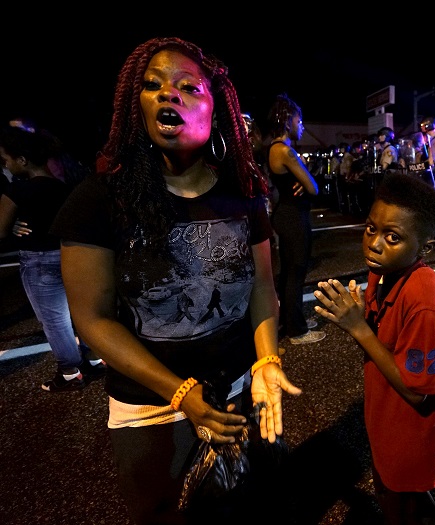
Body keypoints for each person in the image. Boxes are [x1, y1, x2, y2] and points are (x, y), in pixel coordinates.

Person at [51, 37, 302, 524]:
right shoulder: (99, 199)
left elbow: (260, 289)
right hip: (151, 407)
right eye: (153, 86)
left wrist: (267, 359)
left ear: (217, 107)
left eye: (189, 86)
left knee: (241, 505)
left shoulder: (243, 193)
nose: (169, 94)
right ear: (135, 105)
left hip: (236, 389)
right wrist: (180, 393)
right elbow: (92, 318)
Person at [312, 172, 435, 525]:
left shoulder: (423, 298)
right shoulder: (384, 269)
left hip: (412, 432)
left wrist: (358, 327)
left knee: (402, 503)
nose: (374, 244)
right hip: (386, 419)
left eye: (392, 237)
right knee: (392, 491)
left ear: (425, 248)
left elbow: (417, 394)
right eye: (370, 228)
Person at [0, 125, 106, 392]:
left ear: (22, 160)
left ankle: (70, 372)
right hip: (71, 255)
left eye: (6, 160)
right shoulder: (65, 188)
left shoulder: (17, 192)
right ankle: (94, 358)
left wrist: (12, 229)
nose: (6, 165)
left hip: (38, 262)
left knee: (55, 320)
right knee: (81, 311)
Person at [265, 93, 326, 345]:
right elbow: (313, 188)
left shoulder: (272, 148)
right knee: (295, 273)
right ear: (288, 120)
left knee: (288, 272)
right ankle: (297, 331)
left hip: (285, 215)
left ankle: (290, 319)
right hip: (294, 217)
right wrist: (306, 180)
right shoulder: (286, 151)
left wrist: (301, 180)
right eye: (299, 122)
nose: (302, 127)